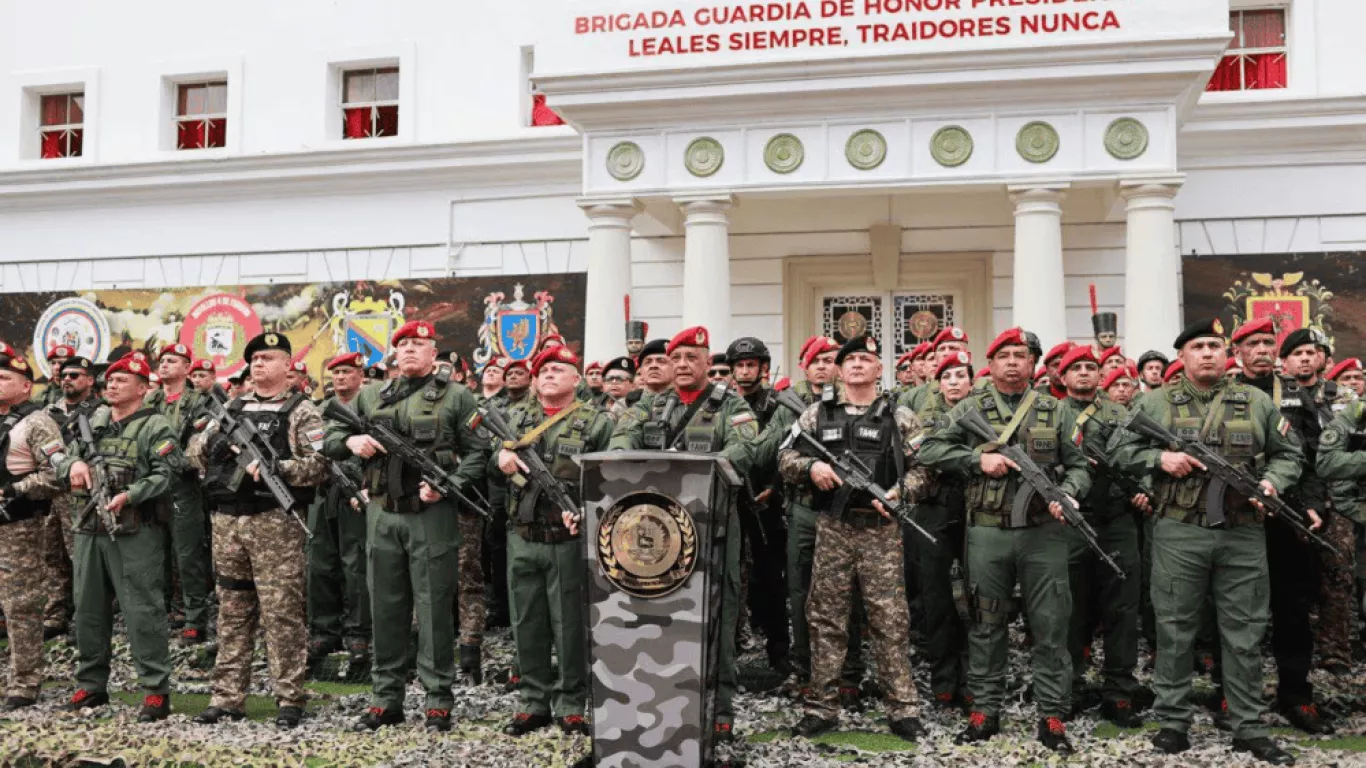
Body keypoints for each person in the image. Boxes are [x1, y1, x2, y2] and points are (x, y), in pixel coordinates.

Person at [1111, 318, 1305, 764]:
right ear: (1182, 357)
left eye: (1215, 346)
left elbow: (1289, 455)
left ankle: (1249, 727)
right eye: (1197, 346)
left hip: (1242, 533)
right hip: (1179, 531)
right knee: (1176, 630)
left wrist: (1273, 483)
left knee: (1245, 633)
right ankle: (1173, 724)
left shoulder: (1256, 402)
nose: (1207, 353)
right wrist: (1160, 457)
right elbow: (1118, 450)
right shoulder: (1156, 403)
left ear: (1227, 354)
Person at [918, 327, 1088, 754]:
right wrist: (978, 459)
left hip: (1044, 535)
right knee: (986, 621)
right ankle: (985, 710)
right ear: (990, 365)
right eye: (1004, 355)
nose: (1013, 362)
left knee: (1051, 624)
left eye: (1021, 355)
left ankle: (1052, 713)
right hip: (988, 532)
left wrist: (1069, 493)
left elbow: (1081, 465)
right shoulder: (969, 409)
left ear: (1033, 365)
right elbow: (930, 450)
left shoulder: (1057, 410)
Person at [325, 321, 489, 732]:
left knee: (434, 609)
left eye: (420, 344)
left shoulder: (457, 396)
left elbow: (478, 452)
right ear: (394, 354)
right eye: (404, 344)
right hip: (381, 513)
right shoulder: (368, 394)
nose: (411, 350)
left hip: (430, 516)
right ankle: (386, 699)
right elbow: (328, 435)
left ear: (434, 353)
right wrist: (350, 442)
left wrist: (447, 485)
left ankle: (437, 701)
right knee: (385, 607)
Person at [609, 326, 759, 742]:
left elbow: (745, 448)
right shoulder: (651, 405)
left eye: (692, 358)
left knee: (718, 617)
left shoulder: (730, 404)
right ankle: (663, 702)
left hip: (714, 528)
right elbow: (621, 438)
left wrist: (695, 476)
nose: (682, 365)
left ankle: (721, 709)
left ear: (708, 363)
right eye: (676, 359)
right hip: (660, 534)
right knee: (661, 616)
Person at [780, 335, 929, 741]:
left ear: (879, 369)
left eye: (867, 359)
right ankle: (821, 707)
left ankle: (902, 710)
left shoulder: (901, 416)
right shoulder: (815, 413)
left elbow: (924, 468)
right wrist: (811, 468)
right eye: (851, 360)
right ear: (840, 370)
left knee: (890, 619)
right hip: (833, 526)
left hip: (881, 530)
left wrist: (901, 492)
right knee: (826, 617)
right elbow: (785, 456)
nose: (858, 365)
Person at [188, 332, 328, 729]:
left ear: (288, 365)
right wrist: (214, 442)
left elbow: (319, 467)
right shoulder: (230, 406)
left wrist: (276, 469)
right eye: (255, 359)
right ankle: (227, 697)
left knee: (281, 612)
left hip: (275, 523)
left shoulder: (303, 411)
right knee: (232, 610)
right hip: (227, 520)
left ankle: (290, 698)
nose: (260, 364)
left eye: (269, 357)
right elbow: (194, 452)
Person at [495, 346, 612, 736]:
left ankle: (571, 704)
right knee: (526, 622)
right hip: (523, 536)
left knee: (568, 624)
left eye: (558, 369)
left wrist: (585, 509)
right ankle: (532, 702)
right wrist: (500, 457)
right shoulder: (515, 417)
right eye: (543, 370)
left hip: (567, 537)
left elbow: (607, 476)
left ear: (576, 379)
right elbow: (481, 449)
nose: (549, 375)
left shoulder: (596, 420)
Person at [60, 354, 179, 721]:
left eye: (122, 380)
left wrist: (131, 494)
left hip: (135, 532)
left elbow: (167, 473)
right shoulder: (91, 420)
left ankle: (155, 690)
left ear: (143, 388)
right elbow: (63, 458)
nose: (111, 385)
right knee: (88, 611)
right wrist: (73, 465)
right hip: (88, 528)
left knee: (143, 610)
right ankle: (91, 684)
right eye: (110, 380)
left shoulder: (155, 425)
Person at [1054, 346, 1144, 726]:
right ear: (1062, 376)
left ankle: (1119, 691)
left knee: (1121, 609)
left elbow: (1143, 456)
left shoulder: (1120, 414)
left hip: (1117, 520)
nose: (1085, 374)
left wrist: (1142, 486)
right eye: (1076, 368)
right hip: (1070, 522)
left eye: (1091, 367)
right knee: (1069, 610)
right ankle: (1069, 687)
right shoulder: (1050, 412)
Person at [1278, 330, 1356, 683]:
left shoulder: (1345, 398)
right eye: (1297, 353)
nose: (1305, 359)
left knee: (1337, 574)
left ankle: (1335, 652)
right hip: (1288, 497)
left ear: (1323, 358)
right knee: (1289, 578)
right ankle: (1287, 649)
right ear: (1286, 361)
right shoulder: (1273, 396)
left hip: (1337, 498)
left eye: (1311, 352)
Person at [0, 344, 65, 711]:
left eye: (5, 377)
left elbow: (59, 474)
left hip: (18, 526)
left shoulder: (36, 421)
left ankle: (24, 683)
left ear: (27, 386)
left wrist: (15, 489)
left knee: (20, 607)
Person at [910, 350, 975, 711]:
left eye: (961, 376)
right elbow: (920, 454)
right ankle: (943, 682)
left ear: (971, 381)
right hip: (931, 510)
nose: (954, 383)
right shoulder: (923, 414)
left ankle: (971, 681)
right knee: (936, 599)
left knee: (974, 600)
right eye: (947, 376)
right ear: (939, 382)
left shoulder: (984, 412)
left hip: (973, 509)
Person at [727, 336, 789, 675]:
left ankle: (778, 650)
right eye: (740, 366)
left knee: (771, 579)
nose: (746, 371)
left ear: (763, 368)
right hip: (731, 497)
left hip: (766, 500)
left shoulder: (776, 405)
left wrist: (774, 488)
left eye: (752, 365)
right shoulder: (723, 404)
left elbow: (786, 450)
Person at [306, 352, 372, 670]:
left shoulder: (370, 406)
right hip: (324, 493)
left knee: (356, 563)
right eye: (336, 373)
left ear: (360, 375)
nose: (341, 378)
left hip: (357, 493)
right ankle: (324, 629)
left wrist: (363, 485)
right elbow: (311, 449)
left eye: (347, 371)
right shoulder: (319, 410)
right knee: (320, 563)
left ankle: (359, 631)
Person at [145, 342, 214, 644]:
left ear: (187, 368)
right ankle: (166, 612)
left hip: (183, 487)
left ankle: (195, 618)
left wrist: (178, 460)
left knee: (188, 556)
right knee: (155, 555)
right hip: (152, 486)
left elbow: (201, 444)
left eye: (172, 361)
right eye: (162, 361)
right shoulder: (150, 399)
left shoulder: (199, 402)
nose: (165, 365)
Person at [41, 353, 102, 638]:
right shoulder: (48, 411)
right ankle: (55, 614)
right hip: (48, 491)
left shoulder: (101, 411)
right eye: (64, 375)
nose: (67, 379)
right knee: (51, 554)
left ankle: (85, 616)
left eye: (74, 375)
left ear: (90, 380)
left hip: (80, 493)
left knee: (81, 557)